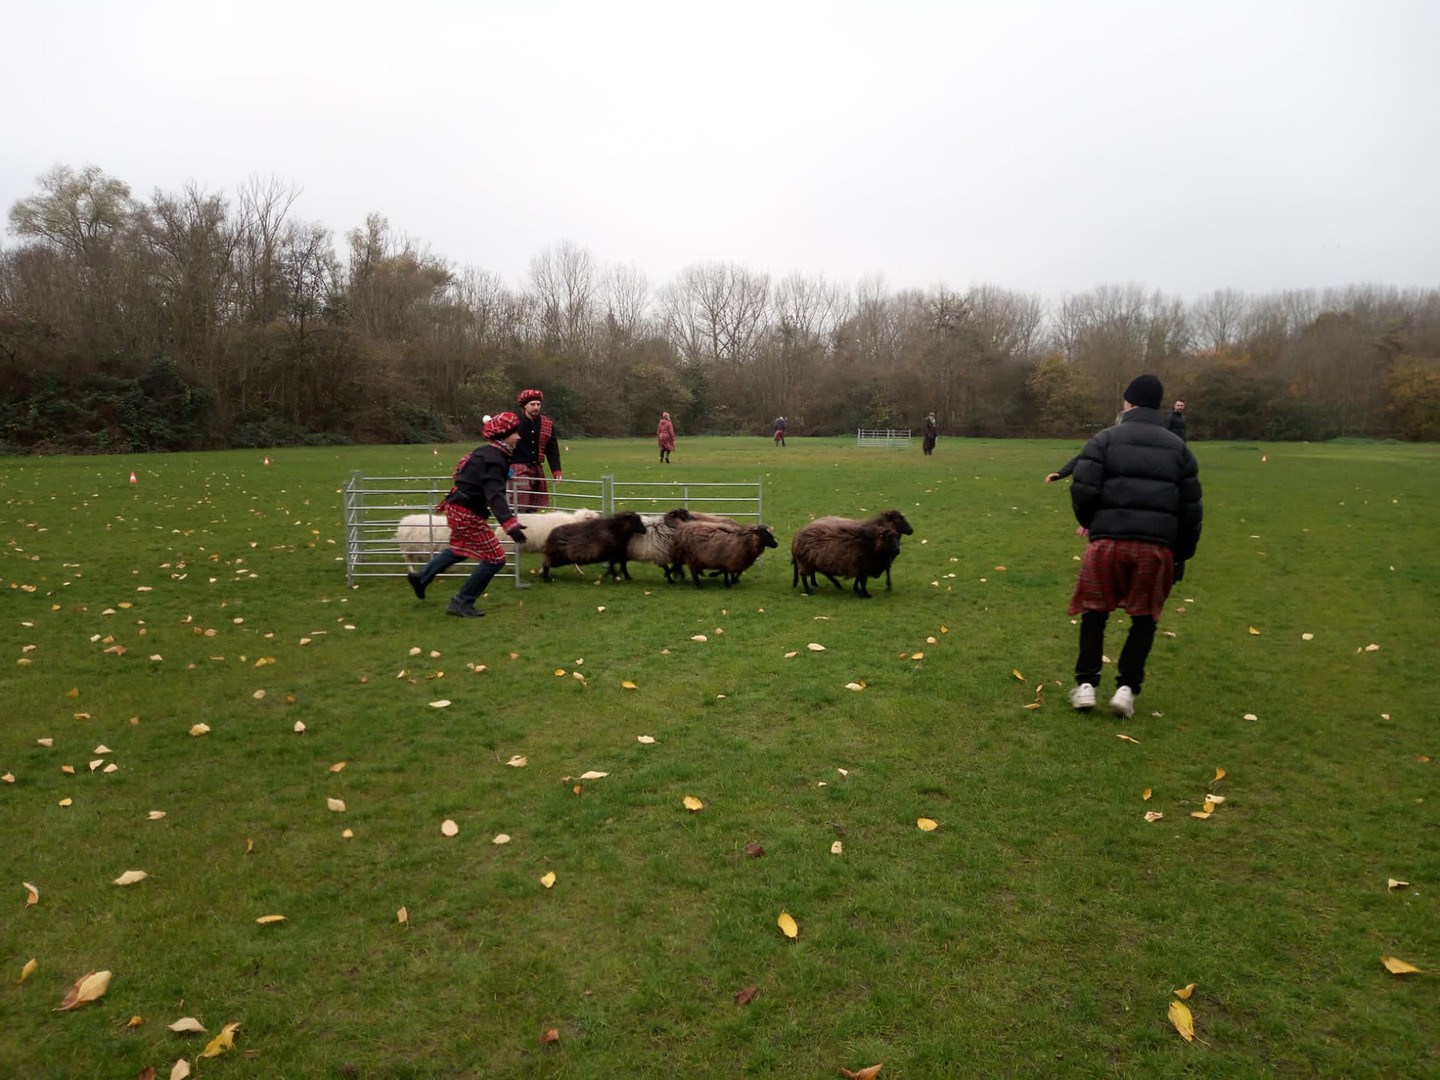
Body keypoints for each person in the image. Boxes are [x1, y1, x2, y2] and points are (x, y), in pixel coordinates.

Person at [1065, 374, 1202, 718]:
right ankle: (1126, 689)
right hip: (1155, 548)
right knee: (1144, 619)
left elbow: (1082, 486)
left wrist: (1093, 523)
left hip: (1108, 543)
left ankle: (1086, 685)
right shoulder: (1178, 449)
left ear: (1128, 402)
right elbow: (1190, 509)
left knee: (1095, 612)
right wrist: (1182, 553)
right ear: (1158, 405)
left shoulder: (1104, 440)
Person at [407, 412, 528, 618]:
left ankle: (421, 577)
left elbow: (460, 473)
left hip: (456, 507)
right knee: (495, 559)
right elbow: (495, 494)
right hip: (467, 512)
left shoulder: (484, 452)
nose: (518, 437)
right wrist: (510, 524)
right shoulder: (495, 460)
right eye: (514, 433)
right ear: (503, 436)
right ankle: (461, 601)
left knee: (459, 549)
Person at [512, 389, 561, 509]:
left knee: (534, 507)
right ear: (525, 405)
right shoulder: (514, 422)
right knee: (520, 505)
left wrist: (556, 470)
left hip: (537, 468)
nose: (536, 407)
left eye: (538, 404)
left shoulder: (547, 423)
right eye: (532, 404)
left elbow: (552, 448)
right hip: (517, 468)